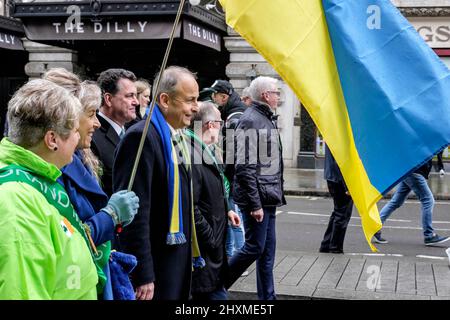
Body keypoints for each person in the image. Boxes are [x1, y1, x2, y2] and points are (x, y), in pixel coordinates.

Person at [43, 70, 140, 299]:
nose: (95, 122)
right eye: (90, 113)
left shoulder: (77, 158)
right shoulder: (50, 170)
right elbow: (66, 239)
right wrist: (110, 216)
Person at [0, 79, 98, 299]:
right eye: (74, 130)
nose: (77, 137)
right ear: (52, 140)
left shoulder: (36, 179)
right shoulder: (18, 204)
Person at [113, 66, 201, 300]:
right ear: (164, 99)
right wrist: (142, 274)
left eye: (197, 99)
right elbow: (134, 214)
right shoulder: (141, 138)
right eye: (190, 100)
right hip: (157, 269)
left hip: (175, 262)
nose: (196, 107)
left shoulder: (176, 136)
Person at [225, 76, 286, 300]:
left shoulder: (265, 117)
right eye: (276, 92)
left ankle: (267, 299)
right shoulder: (251, 120)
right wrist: (254, 204)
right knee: (254, 248)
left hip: (268, 197)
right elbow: (244, 166)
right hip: (258, 198)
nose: (278, 96)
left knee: (266, 254)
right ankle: (217, 284)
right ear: (265, 95)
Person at [186, 101, 240, 300]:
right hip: (204, 253)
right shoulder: (192, 153)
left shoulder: (205, 151)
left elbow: (211, 193)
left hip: (212, 253)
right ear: (210, 125)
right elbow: (192, 204)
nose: (222, 128)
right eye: (220, 122)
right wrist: (211, 238)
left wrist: (227, 211)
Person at [208, 79, 247, 262]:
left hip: (232, 175)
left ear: (223, 96)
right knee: (230, 214)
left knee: (233, 216)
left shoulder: (234, 117)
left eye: (215, 95)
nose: (213, 99)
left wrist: (225, 172)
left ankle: (239, 256)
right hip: (234, 174)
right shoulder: (235, 112)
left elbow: (231, 151)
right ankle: (231, 254)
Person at [373, 159, 450, 246]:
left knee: (396, 202)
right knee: (428, 200)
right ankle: (429, 235)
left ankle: (374, 228)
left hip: (409, 170)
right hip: (415, 171)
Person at [91, 68, 138, 196]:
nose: (136, 102)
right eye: (129, 96)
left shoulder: (134, 131)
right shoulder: (91, 136)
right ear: (108, 99)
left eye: (136, 95)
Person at [319, 144, 353, 254]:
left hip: (332, 177)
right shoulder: (340, 133)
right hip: (340, 180)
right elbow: (341, 160)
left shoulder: (332, 130)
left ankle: (326, 244)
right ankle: (335, 248)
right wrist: (347, 186)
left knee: (337, 212)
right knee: (342, 215)